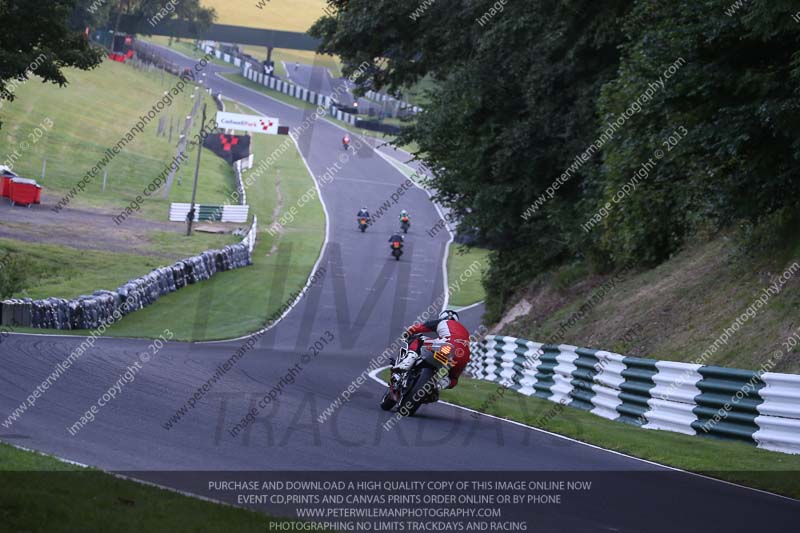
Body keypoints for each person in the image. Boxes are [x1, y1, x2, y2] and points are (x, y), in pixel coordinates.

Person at [395, 310, 471, 391]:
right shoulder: (465, 331)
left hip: (446, 347)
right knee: (453, 378)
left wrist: (407, 333)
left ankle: (408, 361)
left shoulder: (441, 322)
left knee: (418, 339)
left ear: (441, 317)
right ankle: (441, 385)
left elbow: (417, 328)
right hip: (464, 357)